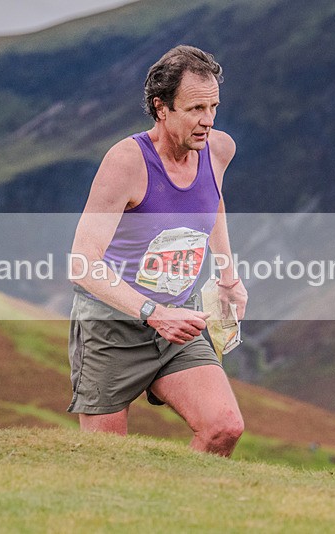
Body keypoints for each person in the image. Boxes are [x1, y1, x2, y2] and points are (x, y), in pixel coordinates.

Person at [66, 45, 247, 456]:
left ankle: (183, 499)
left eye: (214, 107)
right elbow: (82, 263)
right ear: (161, 108)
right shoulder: (126, 162)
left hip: (179, 324)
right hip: (112, 328)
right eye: (196, 108)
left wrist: (227, 277)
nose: (208, 120)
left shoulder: (218, 149)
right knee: (107, 462)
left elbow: (212, 202)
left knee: (223, 428)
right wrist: (154, 313)